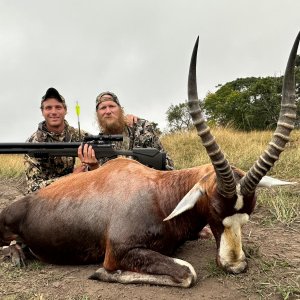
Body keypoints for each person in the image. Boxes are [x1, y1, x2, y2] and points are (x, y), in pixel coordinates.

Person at [24, 88, 138, 193]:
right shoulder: (33, 143)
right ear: (42, 112)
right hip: (47, 198)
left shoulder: (80, 135)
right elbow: (33, 189)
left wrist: (124, 120)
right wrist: (72, 177)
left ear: (65, 110)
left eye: (58, 107)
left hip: (74, 193)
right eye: (48, 108)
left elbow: (104, 151)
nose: (54, 112)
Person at [74, 91, 174, 172]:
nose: (108, 111)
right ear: (97, 115)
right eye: (103, 108)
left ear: (121, 110)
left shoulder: (141, 128)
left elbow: (168, 165)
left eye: (112, 106)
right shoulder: (94, 145)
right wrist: (94, 167)